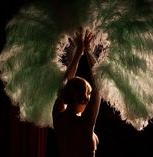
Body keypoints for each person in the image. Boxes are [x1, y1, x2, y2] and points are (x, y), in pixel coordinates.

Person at [52, 28, 101, 157]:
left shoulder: (58, 119)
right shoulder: (86, 123)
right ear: (84, 99)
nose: (90, 99)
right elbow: (100, 80)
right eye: (89, 94)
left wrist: (79, 52)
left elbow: (64, 83)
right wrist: (88, 51)